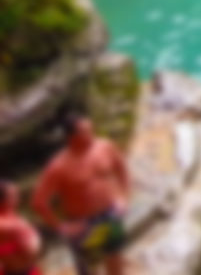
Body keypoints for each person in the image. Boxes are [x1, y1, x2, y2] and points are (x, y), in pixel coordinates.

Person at [31, 116, 130, 275]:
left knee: (115, 254)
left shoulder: (105, 147)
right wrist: (61, 227)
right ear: (72, 137)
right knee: (88, 266)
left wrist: (123, 197)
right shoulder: (58, 166)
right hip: (83, 223)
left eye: (91, 129)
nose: (92, 133)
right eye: (86, 132)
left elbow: (121, 168)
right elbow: (39, 202)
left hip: (110, 213)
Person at [0, 183, 40, 275]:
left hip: (13, 270)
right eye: (14, 195)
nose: (18, 198)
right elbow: (31, 249)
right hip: (20, 270)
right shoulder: (13, 225)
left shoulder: (12, 217)